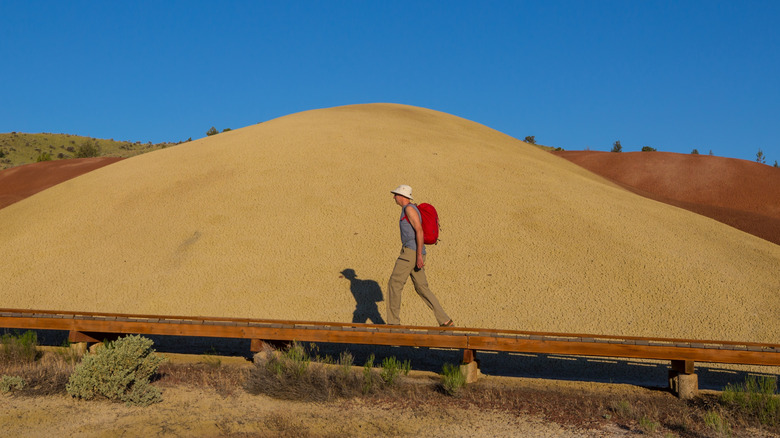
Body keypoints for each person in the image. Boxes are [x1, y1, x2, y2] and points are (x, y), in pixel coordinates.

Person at [386, 184, 453, 327]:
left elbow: (419, 231)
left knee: (395, 283)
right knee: (422, 287)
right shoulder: (409, 209)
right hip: (415, 252)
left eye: (396, 195)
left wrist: (419, 256)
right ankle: (445, 320)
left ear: (402, 196)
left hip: (411, 252)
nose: (394, 197)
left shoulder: (409, 209)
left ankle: (393, 324)